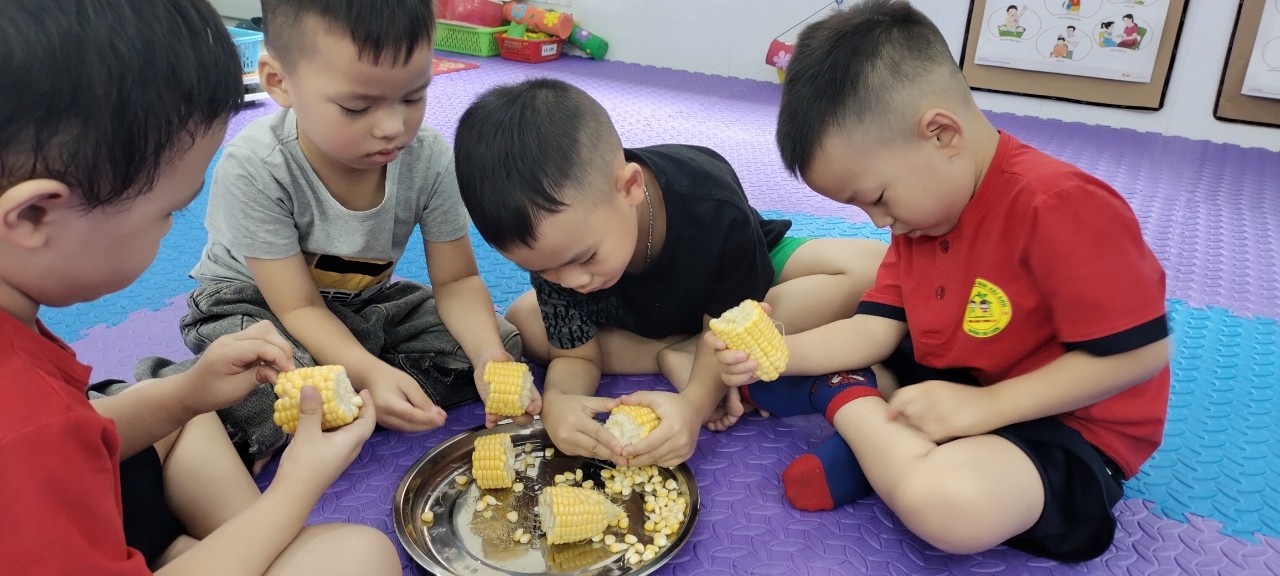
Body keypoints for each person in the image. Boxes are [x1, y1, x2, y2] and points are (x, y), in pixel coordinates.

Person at [711, 0, 1169, 562]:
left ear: (942, 134)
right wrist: (776, 353)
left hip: (1067, 421)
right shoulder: (923, 216)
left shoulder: (1060, 205)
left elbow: (1139, 355)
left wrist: (985, 408)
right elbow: (872, 330)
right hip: (954, 379)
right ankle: (876, 429)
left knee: (950, 509)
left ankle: (844, 399)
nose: (877, 222)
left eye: (877, 198)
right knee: (879, 360)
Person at [0, 0, 400, 574]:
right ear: (34, 215)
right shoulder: (23, 432)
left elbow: (79, 433)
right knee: (360, 556)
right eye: (168, 212)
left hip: (92, 501)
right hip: (72, 531)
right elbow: (44, 441)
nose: (171, 230)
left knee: (176, 411)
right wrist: (296, 487)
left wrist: (188, 394)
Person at [153, 0, 530, 469]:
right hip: (256, 306)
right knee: (271, 374)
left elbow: (456, 281)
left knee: (500, 341)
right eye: (357, 107)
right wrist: (370, 371)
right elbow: (298, 306)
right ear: (279, 82)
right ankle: (176, 401)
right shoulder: (257, 166)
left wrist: (487, 356)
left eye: (413, 97)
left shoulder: (429, 157)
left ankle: (350, 401)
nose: (393, 127)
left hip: (361, 305)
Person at [452, 78, 887, 468]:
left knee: (873, 269)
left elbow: (731, 325)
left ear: (630, 187)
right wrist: (561, 402)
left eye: (585, 258)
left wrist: (693, 407)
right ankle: (679, 353)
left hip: (734, 291)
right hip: (637, 313)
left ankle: (693, 355)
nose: (571, 281)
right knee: (523, 321)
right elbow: (575, 356)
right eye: (542, 269)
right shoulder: (557, 252)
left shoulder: (711, 204)